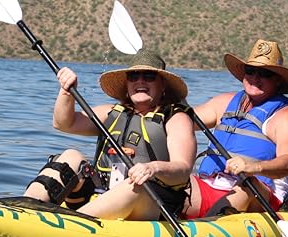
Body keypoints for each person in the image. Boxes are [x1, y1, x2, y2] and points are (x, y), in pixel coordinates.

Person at [23, 50, 197, 221]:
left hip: (152, 204)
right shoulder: (111, 113)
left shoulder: (176, 119)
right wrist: (67, 93)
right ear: (127, 84)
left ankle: (70, 225)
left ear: (162, 85)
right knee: (71, 156)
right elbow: (64, 124)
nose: (140, 81)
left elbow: (182, 170)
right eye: (133, 76)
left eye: (149, 76)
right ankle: (26, 209)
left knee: (135, 186)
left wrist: (153, 168)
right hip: (101, 195)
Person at [181, 39, 288, 219]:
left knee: (246, 185)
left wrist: (253, 167)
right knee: (171, 182)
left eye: (264, 73)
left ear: (278, 80)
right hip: (211, 185)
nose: (255, 77)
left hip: (258, 193)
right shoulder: (223, 102)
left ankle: (211, 226)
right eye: (250, 71)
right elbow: (182, 122)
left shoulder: (285, 116)